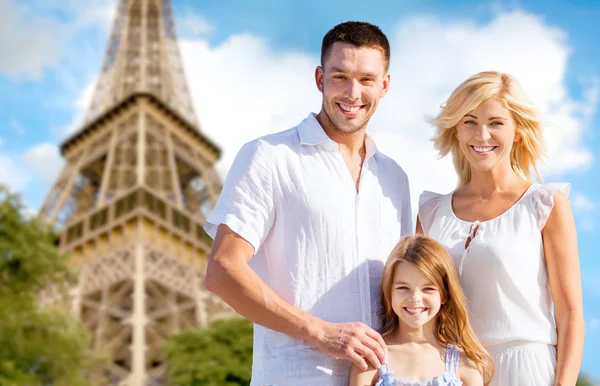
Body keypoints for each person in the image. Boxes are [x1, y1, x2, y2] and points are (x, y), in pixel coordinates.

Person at [203, 21, 413, 385]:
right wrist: (320, 332)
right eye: (339, 77)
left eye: (366, 79)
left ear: (385, 85)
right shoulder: (269, 157)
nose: (352, 93)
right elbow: (222, 270)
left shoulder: (395, 179)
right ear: (319, 78)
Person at [417, 71, 584, 385]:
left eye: (495, 122)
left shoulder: (546, 205)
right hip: (450, 369)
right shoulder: (430, 213)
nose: (481, 135)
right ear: (455, 129)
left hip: (525, 368)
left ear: (517, 131)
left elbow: (570, 314)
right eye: (469, 121)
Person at [349, 235, 493, 386]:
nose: (415, 298)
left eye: (428, 288)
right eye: (403, 287)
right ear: (389, 292)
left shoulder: (466, 364)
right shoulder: (370, 358)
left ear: (444, 294)